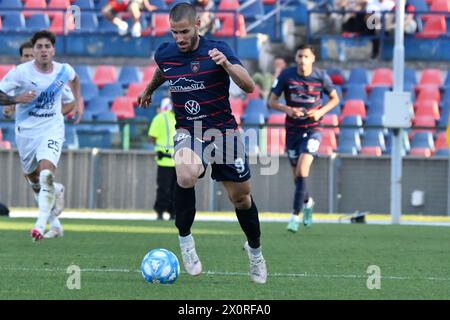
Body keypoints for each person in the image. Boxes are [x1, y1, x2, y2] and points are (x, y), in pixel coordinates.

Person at [138, 3, 267, 284]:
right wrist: (148, 90)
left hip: (223, 132)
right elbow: (164, 70)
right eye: (174, 33)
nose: (180, 38)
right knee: (185, 174)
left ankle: (255, 252)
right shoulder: (165, 52)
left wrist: (227, 64)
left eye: (184, 31)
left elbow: (248, 86)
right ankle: (185, 242)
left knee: (242, 198)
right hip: (189, 129)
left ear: (198, 24)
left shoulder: (218, 49)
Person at [0, 30, 82, 241]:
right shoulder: (21, 73)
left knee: (45, 174)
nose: (43, 50)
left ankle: (39, 225)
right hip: (26, 133)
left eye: (47, 46)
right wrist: (17, 99)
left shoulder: (63, 71)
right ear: (33, 51)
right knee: (35, 181)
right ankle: (55, 216)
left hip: (52, 130)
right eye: (39, 47)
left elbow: (74, 81)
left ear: (53, 49)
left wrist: (78, 104)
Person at [268, 44, 339, 233]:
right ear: (296, 58)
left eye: (306, 56)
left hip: (314, 128)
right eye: (299, 56)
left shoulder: (321, 76)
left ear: (313, 58)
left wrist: (320, 112)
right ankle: (308, 203)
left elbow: (335, 98)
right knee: (297, 176)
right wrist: (289, 110)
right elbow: (271, 101)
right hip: (292, 130)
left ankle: (294, 217)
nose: (302, 60)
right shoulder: (286, 75)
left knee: (302, 169)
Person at [148, 97, 177, 220]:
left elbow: (152, 138)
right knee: (164, 188)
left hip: (179, 162)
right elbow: (152, 138)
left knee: (174, 190)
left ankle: (172, 212)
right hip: (166, 161)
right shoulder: (160, 118)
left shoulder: (162, 117)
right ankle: (161, 212)